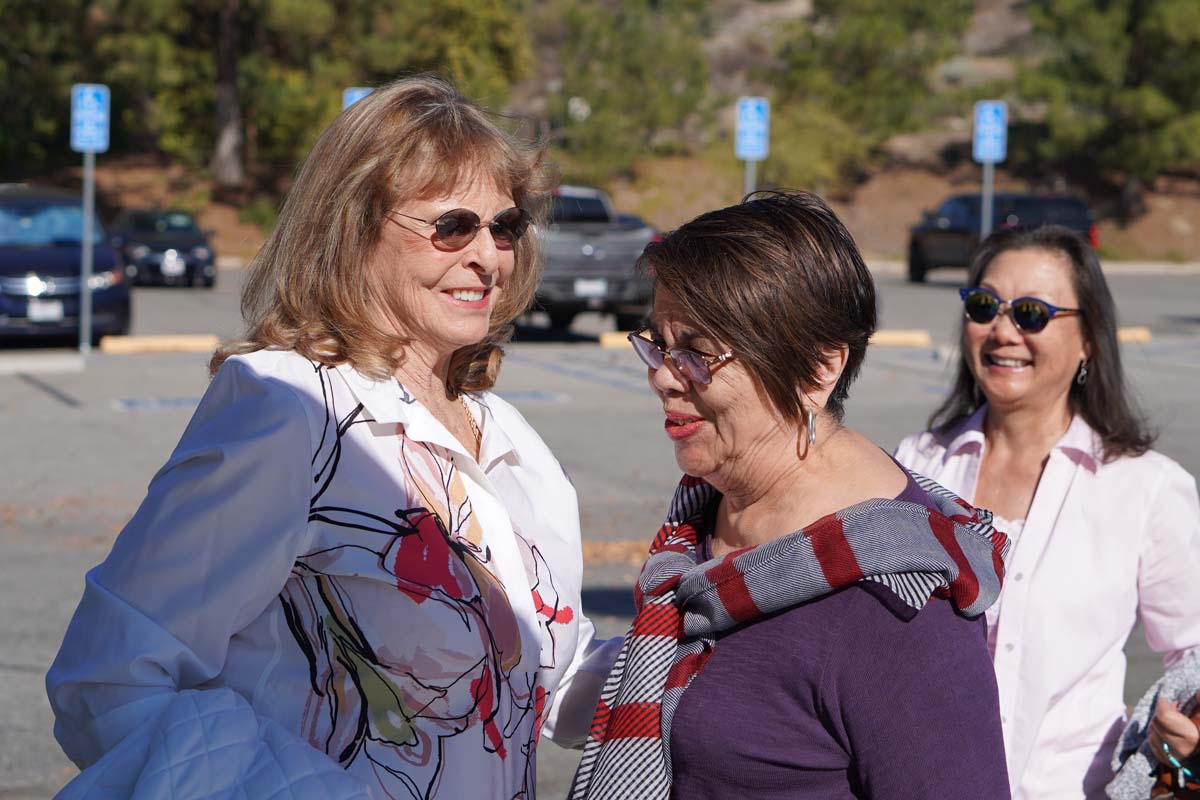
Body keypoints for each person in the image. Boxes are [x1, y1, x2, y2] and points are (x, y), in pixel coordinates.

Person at [46, 75, 615, 800]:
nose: (488, 255)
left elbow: (544, 674)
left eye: (504, 226)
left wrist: (712, 656)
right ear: (354, 229)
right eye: (452, 226)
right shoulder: (289, 405)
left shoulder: (509, 437)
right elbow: (110, 677)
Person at [570, 190, 1011, 800]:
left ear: (819, 368)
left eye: (698, 352)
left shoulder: (896, 608)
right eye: (658, 343)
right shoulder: (703, 512)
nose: (664, 376)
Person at [894, 224, 1200, 799]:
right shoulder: (914, 466)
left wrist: (1179, 740)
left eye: (1032, 313)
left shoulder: (1146, 488)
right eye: (985, 306)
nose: (1003, 330)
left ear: (1088, 337)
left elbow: (1195, 652)